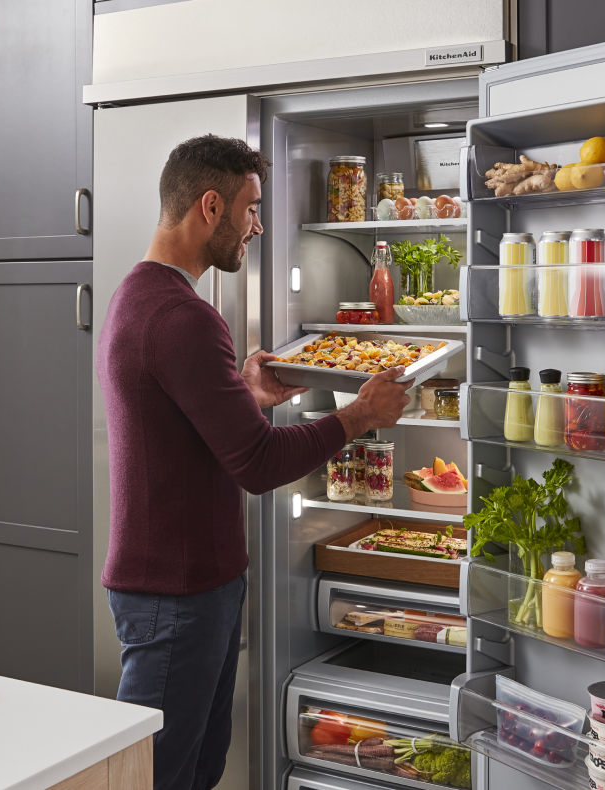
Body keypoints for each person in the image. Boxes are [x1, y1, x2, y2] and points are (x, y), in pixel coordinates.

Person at [97, 134, 409, 790]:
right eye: (251, 209)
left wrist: (246, 393)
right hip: (174, 597)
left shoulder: (141, 296)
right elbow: (259, 463)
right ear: (211, 207)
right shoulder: (184, 317)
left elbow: (187, 428)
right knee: (156, 781)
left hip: (184, 588)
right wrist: (358, 416)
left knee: (192, 771)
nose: (257, 227)